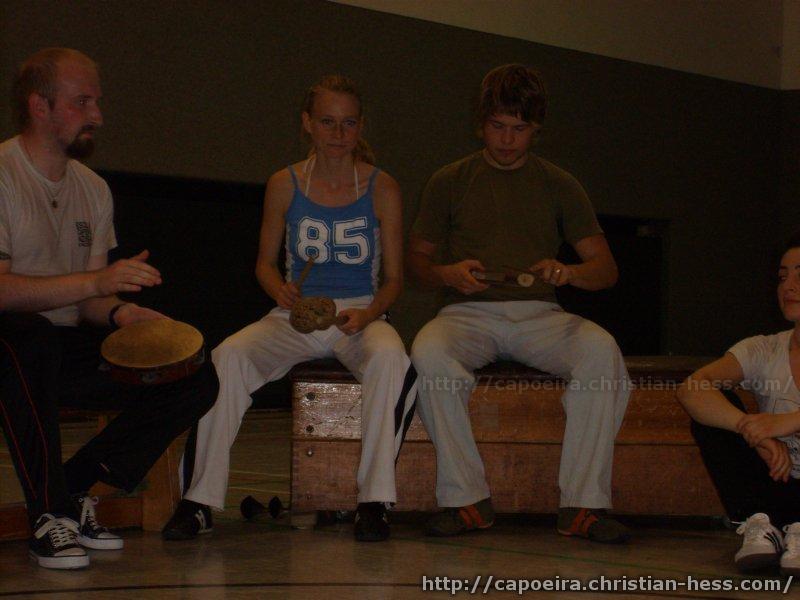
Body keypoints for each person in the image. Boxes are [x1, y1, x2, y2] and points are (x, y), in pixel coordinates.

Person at [163, 75, 417, 543]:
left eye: (348, 123)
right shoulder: (285, 183)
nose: (338, 133)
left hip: (358, 314)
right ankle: (197, 501)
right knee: (227, 357)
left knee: (392, 360)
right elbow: (263, 264)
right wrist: (278, 289)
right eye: (327, 122)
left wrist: (368, 314)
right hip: (294, 314)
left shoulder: (383, 187)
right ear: (307, 123)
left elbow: (395, 279)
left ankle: (374, 501)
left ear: (361, 126)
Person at [0, 48, 218, 570]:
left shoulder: (93, 189)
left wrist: (123, 315)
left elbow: (92, 302)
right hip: (10, 345)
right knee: (28, 339)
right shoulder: (4, 173)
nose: (96, 115)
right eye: (82, 102)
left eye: (96, 101)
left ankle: (73, 489)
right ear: (39, 106)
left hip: (60, 346)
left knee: (194, 376)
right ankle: (48, 513)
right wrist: (96, 281)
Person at [408, 64, 630, 543]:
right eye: (497, 126)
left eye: (519, 129)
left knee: (602, 351)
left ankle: (582, 505)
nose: (507, 140)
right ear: (480, 124)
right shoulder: (450, 180)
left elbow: (606, 270)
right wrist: (447, 274)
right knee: (428, 351)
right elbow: (416, 265)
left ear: (536, 129)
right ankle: (467, 500)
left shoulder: (559, 183)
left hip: (539, 314)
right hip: (465, 314)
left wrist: (568, 272)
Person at [677, 233, 800, 575]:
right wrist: (752, 432)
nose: (788, 286)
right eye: (782, 276)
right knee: (715, 414)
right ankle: (764, 525)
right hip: (781, 479)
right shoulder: (764, 348)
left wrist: (790, 421)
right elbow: (692, 388)